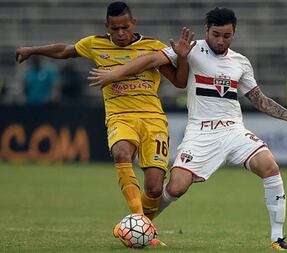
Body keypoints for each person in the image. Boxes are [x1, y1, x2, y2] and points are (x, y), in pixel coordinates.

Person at [88, 7, 287, 250]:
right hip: (200, 133)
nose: (220, 40)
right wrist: (114, 74)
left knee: (270, 166)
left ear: (234, 33)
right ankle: (139, 224)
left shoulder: (240, 62)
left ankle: (277, 238)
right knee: (175, 187)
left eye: (226, 36)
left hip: (233, 131)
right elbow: (149, 59)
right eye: (216, 34)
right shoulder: (191, 50)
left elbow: (259, 100)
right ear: (206, 30)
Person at [15, 1, 193, 246]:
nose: (120, 34)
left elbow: (180, 82)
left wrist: (182, 58)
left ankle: (141, 227)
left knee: (153, 189)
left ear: (134, 24)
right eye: (115, 29)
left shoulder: (153, 47)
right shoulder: (95, 44)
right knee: (121, 152)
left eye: (125, 27)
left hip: (153, 120)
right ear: (107, 26)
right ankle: (139, 223)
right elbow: (64, 51)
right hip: (120, 116)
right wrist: (32, 50)